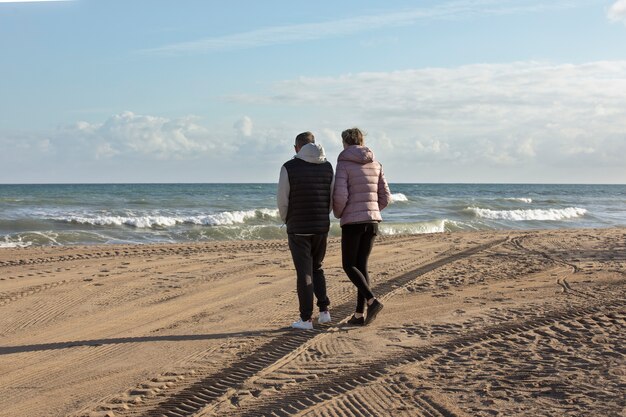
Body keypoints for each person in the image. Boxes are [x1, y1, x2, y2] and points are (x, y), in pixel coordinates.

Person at [333, 127, 391, 326]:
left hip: (353, 222)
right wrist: (373, 211)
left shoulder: (343, 163)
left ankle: (372, 300)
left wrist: (340, 213)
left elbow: (341, 196)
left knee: (349, 265)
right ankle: (359, 315)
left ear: (345, 143)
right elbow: (385, 197)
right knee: (362, 266)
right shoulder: (376, 163)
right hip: (372, 221)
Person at [278, 131, 334, 330]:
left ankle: (306, 319)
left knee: (304, 273)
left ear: (297, 148)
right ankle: (324, 311)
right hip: (321, 226)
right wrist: (321, 216)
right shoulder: (327, 167)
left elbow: (282, 200)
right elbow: (330, 198)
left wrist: (287, 220)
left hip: (298, 228)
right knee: (317, 267)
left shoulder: (289, 167)